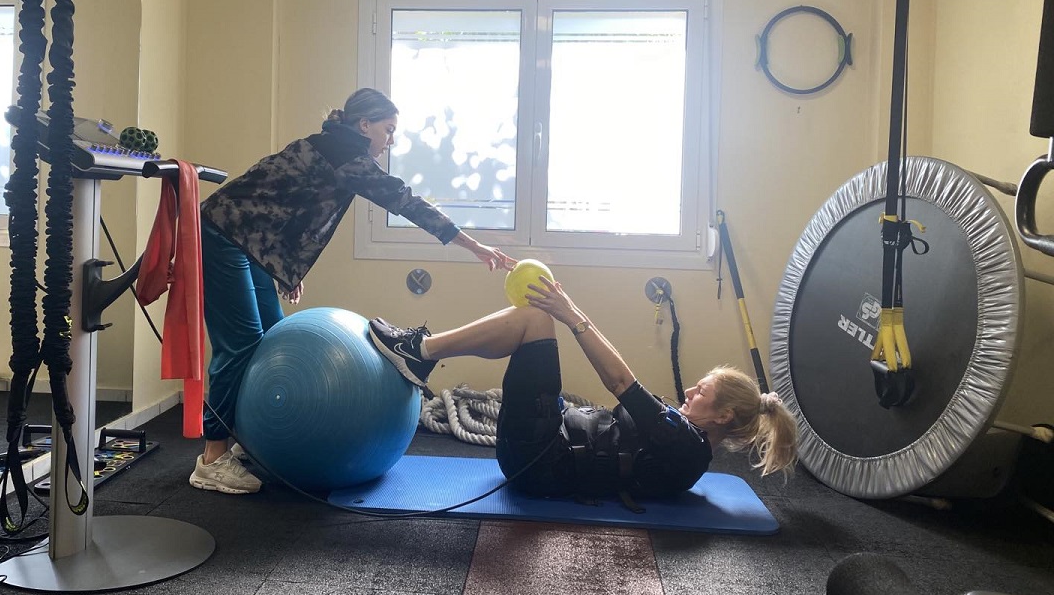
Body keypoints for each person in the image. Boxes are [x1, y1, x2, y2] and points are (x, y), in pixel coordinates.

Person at [192, 87, 513, 494]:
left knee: (269, 338)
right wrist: (475, 246)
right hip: (221, 235)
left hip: (245, 239)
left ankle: (247, 436)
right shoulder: (345, 156)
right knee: (239, 345)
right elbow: (406, 202)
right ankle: (212, 457)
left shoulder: (328, 145)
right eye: (388, 130)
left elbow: (278, 198)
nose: (390, 140)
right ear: (364, 125)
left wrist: (284, 265)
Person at [368, 275, 798, 499]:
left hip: (539, 462)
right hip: (544, 447)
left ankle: (420, 352)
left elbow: (620, 382)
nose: (689, 393)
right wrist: (572, 313)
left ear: (724, 416)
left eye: (701, 393)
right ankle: (422, 353)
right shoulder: (684, 440)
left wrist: (572, 314)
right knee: (536, 320)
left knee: (535, 319)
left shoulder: (685, 444)